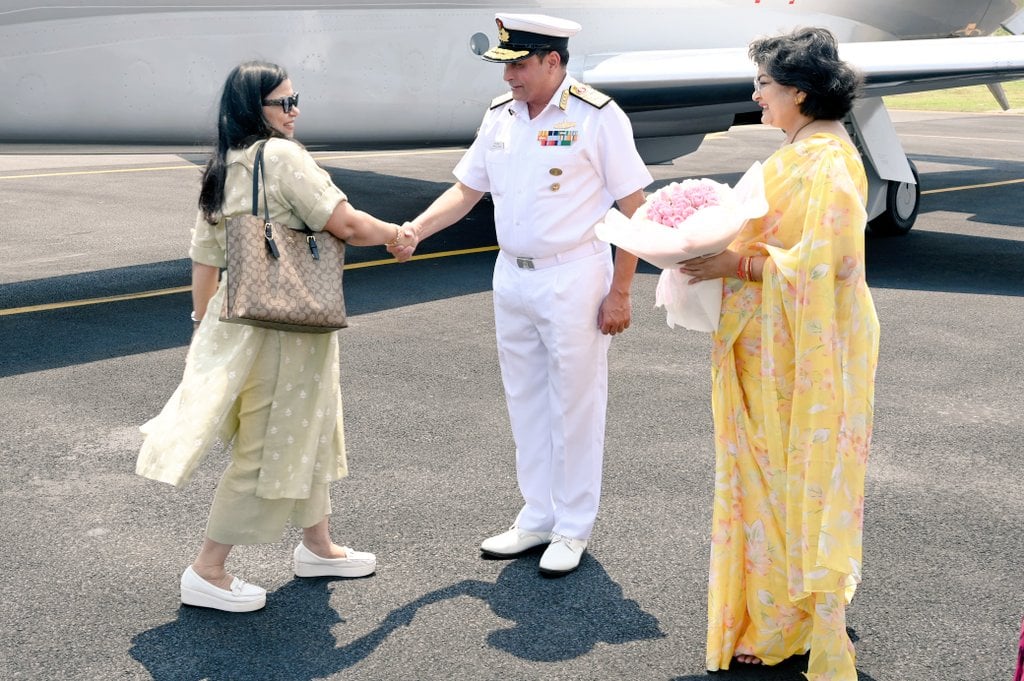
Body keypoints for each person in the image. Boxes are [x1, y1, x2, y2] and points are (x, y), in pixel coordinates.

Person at [136, 60, 416, 612]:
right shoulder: (283, 157)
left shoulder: (224, 166)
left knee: (303, 429)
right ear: (255, 109)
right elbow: (348, 224)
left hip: (237, 324)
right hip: (286, 330)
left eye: (295, 99)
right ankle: (207, 569)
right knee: (270, 444)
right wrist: (399, 235)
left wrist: (203, 331)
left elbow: (205, 262)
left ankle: (318, 546)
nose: (295, 111)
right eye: (283, 103)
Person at [389, 13, 652, 576]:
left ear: (553, 61)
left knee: (576, 403)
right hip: (511, 275)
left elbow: (636, 209)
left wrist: (621, 290)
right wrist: (414, 229)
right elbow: (466, 190)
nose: (509, 77)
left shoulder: (597, 117)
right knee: (525, 398)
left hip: (575, 274)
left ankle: (573, 526)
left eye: (519, 65)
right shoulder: (500, 116)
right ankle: (536, 516)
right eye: (505, 66)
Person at [678, 27, 880, 679]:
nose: (757, 95)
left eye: (764, 83)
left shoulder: (820, 159)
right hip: (777, 346)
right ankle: (780, 608)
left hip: (799, 356)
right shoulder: (805, 151)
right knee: (775, 474)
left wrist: (735, 262)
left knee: (790, 475)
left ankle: (782, 619)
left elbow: (834, 264)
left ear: (797, 90)